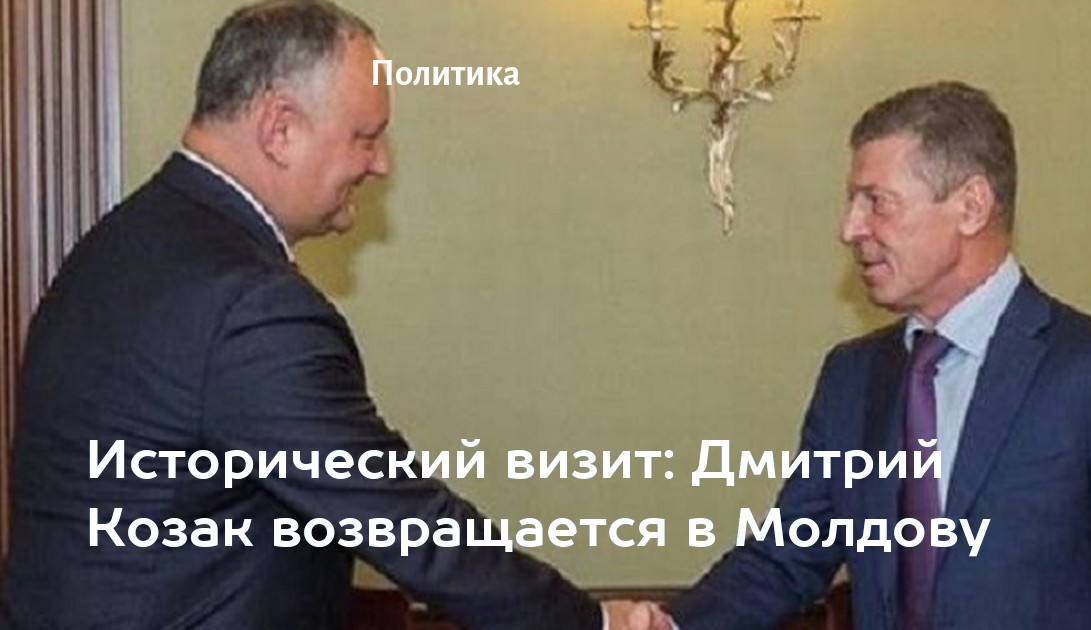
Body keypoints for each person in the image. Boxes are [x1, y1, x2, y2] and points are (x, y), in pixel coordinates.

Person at [0, 1, 660, 628]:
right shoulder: (248, 305)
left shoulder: (119, 247)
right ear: (281, 129)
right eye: (365, 137)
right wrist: (590, 621)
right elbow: (403, 522)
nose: (381, 164)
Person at [661, 82, 1091, 629]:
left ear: (971, 207)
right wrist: (667, 625)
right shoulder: (852, 378)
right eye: (853, 202)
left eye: (877, 202)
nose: (849, 228)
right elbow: (785, 560)